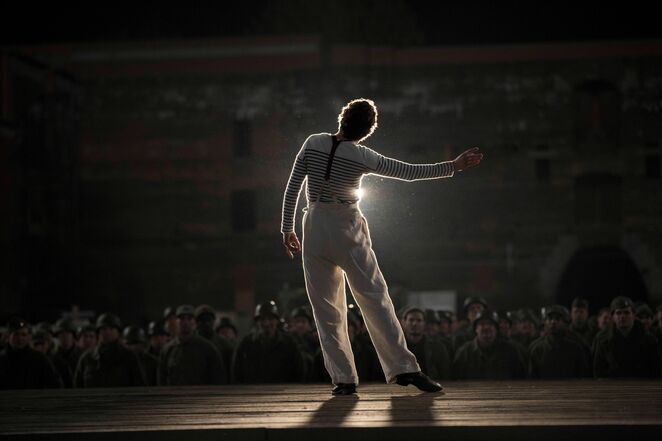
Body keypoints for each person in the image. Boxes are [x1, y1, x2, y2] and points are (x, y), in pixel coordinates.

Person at [281, 98, 483, 395]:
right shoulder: (363, 155)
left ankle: (344, 379)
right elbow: (409, 172)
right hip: (345, 224)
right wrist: (453, 166)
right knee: (374, 297)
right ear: (367, 131)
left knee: (325, 308)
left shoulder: (313, 142)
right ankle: (404, 369)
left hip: (313, 224)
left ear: (342, 118)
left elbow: (292, 187)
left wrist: (287, 228)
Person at [232, 301, 305, 384]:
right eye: (262, 319)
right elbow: (236, 375)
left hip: (283, 394)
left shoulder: (289, 344)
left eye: (270, 319)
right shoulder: (245, 345)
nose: (266, 323)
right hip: (253, 394)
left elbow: (299, 373)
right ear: (257, 322)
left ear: (277, 321)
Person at [593, 296, 661, 378]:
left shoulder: (649, 339)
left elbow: (655, 369)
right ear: (613, 316)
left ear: (634, 315)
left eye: (626, 312)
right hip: (612, 387)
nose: (622, 316)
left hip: (641, 386)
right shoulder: (603, 339)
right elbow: (598, 370)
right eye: (618, 313)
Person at [159, 304, 227, 385]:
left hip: (201, 396)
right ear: (176, 322)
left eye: (189, 319)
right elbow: (161, 379)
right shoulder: (167, 350)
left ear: (194, 322)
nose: (185, 322)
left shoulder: (207, 348)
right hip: (174, 395)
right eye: (181, 319)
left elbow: (218, 378)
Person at [74, 313, 146, 388]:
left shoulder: (129, 357)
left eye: (112, 328)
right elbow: (77, 386)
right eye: (104, 329)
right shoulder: (87, 358)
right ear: (98, 332)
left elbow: (139, 385)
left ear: (118, 332)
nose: (107, 332)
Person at [452, 310, 526, 380]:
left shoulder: (511, 351)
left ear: (496, 329)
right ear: (476, 329)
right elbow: (456, 379)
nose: (486, 327)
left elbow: (521, 378)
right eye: (482, 324)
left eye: (490, 324)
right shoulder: (464, 353)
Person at [529, 305, 591, 378]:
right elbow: (532, 378)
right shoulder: (537, 349)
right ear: (545, 323)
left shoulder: (577, 347)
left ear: (565, 323)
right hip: (544, 389)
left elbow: (583, 375)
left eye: (557, 319)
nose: (553, 322)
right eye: (550, 319)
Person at [0, 317, 62, 389]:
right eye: (16, 334)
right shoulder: (2, 359)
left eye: (24, 334)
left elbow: (55, 383)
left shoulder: (39, 359)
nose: (20, 338)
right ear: (8, 336)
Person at [401, 307, 451, 380]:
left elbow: (445, 373)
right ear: (404, 322)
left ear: (424, 324)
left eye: (419, 320)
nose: (415, 323)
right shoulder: (396, 346)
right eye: (411, 320)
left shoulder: (437, 347)